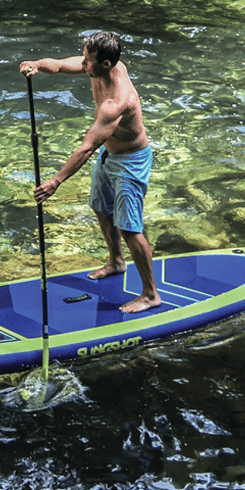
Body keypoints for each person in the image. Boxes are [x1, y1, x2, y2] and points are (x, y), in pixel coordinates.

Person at [19, 31, 159, 313]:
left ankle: (150, 294)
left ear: (106, 64)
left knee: (129, 227)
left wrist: (56, 181)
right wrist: (34, 64)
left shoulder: (117, 101)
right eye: (83, 56)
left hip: (131, 161)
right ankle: (117, 262)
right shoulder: (99, 67)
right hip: (110, 156)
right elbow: (58, 65)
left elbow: (86, 148)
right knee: (101, 208)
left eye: (87, 60)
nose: (83, 64)